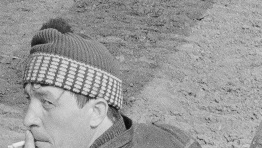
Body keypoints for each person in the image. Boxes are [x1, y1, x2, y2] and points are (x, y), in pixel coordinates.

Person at [20, 17, 200, 148]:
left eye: (47, 102)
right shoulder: (172, 138)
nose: (28, 119)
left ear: (97, 112)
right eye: (30, 99)